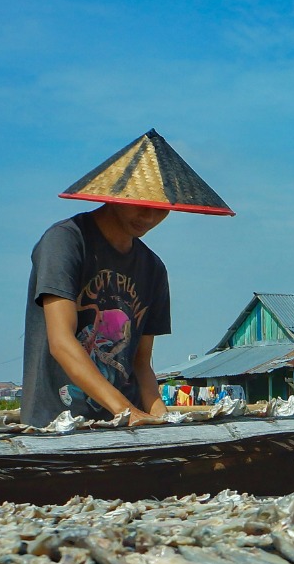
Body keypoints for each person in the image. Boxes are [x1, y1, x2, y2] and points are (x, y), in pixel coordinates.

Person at [21, 129, 234, 427]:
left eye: (161, 208)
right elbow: (61, 342)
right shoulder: (66, 242)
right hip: (57, 427)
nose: (149, 216)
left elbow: (140, 365)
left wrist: (160, 416)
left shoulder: (153, 269)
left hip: (122, 432)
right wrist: (128, 412)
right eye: (141, 203)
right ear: (115, 194)